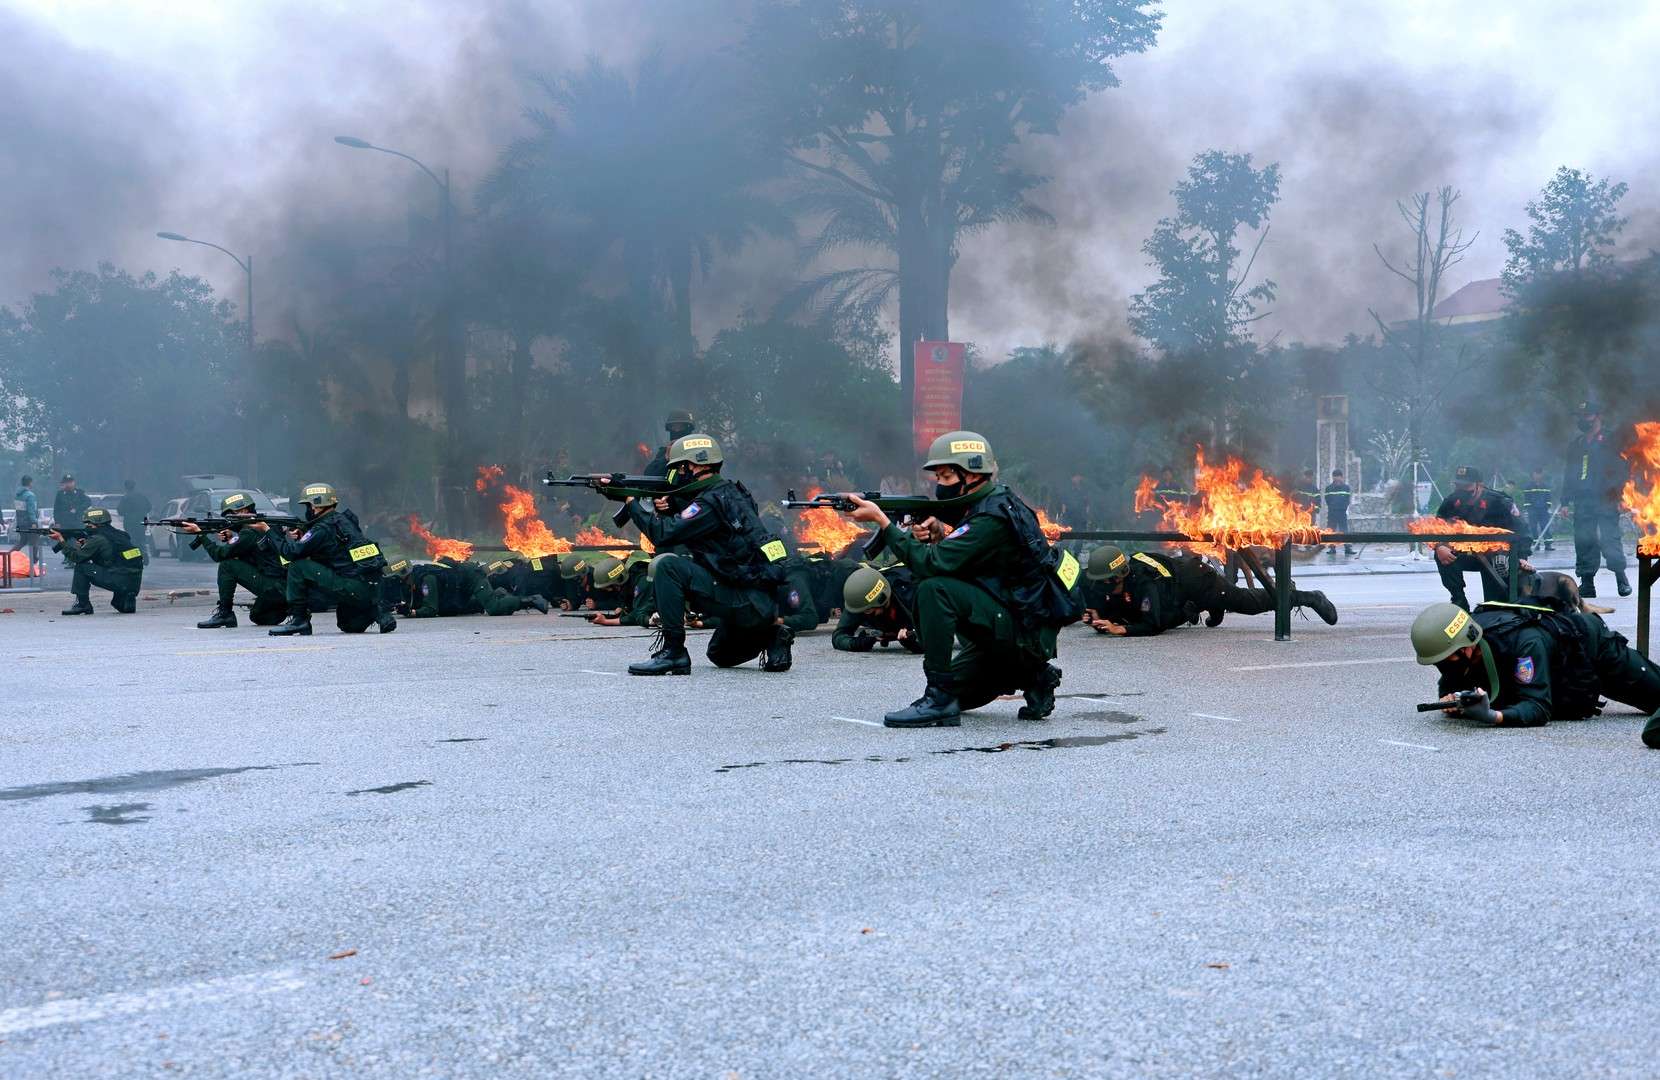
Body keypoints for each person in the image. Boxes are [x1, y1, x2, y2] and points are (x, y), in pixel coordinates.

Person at [841, 431, 1079, 728]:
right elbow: (977, 558)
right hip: (1016, 623)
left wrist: (883, 522)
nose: (938, 485)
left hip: (1021, 631)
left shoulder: (990, 518)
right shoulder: (996, 502)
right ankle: (1034, 675)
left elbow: (932, 564)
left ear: (971, 475)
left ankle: (939, 699)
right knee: (963, 695)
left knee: (934, 589)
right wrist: (942, 532)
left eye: (944, 476)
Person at [611, 433, 795, 676]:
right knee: (720, 655)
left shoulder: (710, 502)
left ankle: (674, 653)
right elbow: (710, 531)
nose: (678, 474)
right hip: (756, 600)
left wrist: (631, 502)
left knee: (668, 567)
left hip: (745, 598)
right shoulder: (729, 492)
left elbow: (664, 534)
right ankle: (772, 635)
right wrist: (672, 506)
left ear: (697, 465)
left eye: (682, 467)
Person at [1411, 598, 1660, 730]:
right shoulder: (1460, 649)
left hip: (1594, 650)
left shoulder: (1523, 643)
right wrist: (1451, 701)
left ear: (1467, 645)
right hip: (1560, 669)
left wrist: (1492, 716)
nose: (1443, 667)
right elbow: (1450, 685)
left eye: (1446, 660)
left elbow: (1538, 707)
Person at [1081, 544, 1336, 636]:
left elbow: (1153, 625)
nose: (1102, 587)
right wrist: (1097, 616)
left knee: (1249, 603)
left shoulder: (1145, 584)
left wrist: (1118, 628)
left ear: (1120, 576)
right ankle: (1201, 607)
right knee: (1171, 612)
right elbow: (1111, 601)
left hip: (1200, 581)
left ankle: (1307, 597)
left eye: (1106, 582)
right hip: (1180, 591)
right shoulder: (1119, 581)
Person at [252, 482, 396, 636]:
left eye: (309, 505)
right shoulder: (344, 520)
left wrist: (267, 530)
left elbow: (290, 553)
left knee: (298, 567)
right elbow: (334, 551)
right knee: (349, 624)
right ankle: (375, 610)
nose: (309, 509)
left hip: (353, 585)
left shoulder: (323, 527)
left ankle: (299, 620)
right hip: (371, 587)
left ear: (317, 505)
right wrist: (304, 537)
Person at [181, 492, 289, 628]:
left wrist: (201, 535)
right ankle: (286, 605)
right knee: (258, 617)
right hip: (283, 586)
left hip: (274, 586)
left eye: (231, 514)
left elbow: (219, 555)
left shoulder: (248, 532)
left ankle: (225, 613)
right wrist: (232, 539)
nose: (229, 519)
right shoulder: (266, 525)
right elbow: (252, 553)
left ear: (243, 510)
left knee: (227, 565)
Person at [1431, 465, 1531, 610]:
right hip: (1467, 553)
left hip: (1496, 555)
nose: (1462, 490)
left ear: (1479, 485)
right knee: (1442, 553)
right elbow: (1437, 525)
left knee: (1498, 564)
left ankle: (1494, 606)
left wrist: (1522, 556)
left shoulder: (1499, 502)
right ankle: (1459, 600)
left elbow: (1522, 529)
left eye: (1467, 486)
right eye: (1458, 485)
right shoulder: (1452, 501)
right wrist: (1439, 545)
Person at [1562, 401, 1630, 597]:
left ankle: (1621, 578)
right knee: (1584, 540)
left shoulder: (1611, 440)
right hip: (1583, 500)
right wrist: (1565, 501)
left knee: (1610, 537)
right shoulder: (1576, 444)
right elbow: (1569, 473)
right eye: (1580, 416)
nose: (1583, 420)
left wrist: (1620, 496)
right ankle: (1587, 583)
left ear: (1598, 416)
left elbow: (1622, 469)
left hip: (1607, 497)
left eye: (1587, 416)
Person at [53, 507, 144, 615]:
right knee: (120, 605)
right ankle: (126, 597)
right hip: (133, 582)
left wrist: (61, 540)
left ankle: (83, 604)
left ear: (96, 523)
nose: (86, 527)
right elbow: (111, 554)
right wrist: (86, 545)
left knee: (81, 567)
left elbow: (76, 557)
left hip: (117, 579)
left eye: (88, 524)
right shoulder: (120, 534)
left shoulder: (97, 539)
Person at [406, 556, 550, 618]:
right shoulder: (414, 579)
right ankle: (498, 594)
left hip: (471, 577)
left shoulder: (427, 579)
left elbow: (431, 609)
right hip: (458, 587)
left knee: (494, 608)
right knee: (458, 609)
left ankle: (529, 600)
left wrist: (412, 613)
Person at [832, 564, 923, 653]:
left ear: (882, 600)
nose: (863, 614)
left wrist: (916, 641)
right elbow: (838, 637)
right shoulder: (860, 600)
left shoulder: (912, 593)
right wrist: (857, 643)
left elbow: (935, 635)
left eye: (868, 611)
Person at [644, 409, 698, 478]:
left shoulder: (698, 450)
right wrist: (666, 459)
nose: (677, 430)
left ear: (688, 428)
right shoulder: (665, 452)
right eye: (674, 427)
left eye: (681, 427)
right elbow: (648, 475)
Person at [52, 475, 90, 566]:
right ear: (64, 483)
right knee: (67, 540)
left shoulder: (80, 493)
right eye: (67, 482)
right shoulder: (60, 494)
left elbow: (88, 502)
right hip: (65, 521)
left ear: (74, 482)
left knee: (78, 540)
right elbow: (56, 509)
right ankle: (69, 558)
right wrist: (57, 522)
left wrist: (77, 509)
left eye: (70, 482)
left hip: (77, 521)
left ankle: (78, 558)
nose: (69, 484)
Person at [9, 475, 42, 575]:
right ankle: (34, 563)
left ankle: (7, 557)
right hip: (29, 523)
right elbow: (31, 511)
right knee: (34, 543)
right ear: (30, 483)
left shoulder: (17, 495)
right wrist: (34, 522)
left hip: (21, 523)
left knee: (22, 542)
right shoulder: (30, 495)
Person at [1520, 468, 1555, 552]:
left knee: (1545, 526)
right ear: (1533, 474)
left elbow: (1548, 497)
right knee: (1533, 528)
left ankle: (1548, 545)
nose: (1538, 476)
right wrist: (1529, 509)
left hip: (1543, 510)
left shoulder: (1546, 486)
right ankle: (1536, 545)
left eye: (1540, 474)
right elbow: (1526, 499)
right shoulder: (1528, 486)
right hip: (1533, 510)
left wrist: (1547, 506)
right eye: (1536, 473)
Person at [1323, 469, 1355, 558]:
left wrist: (1343, 508)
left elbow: (1347, 500)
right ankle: (1332, 548)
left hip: (1342, 512)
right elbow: (1327, 500)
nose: (1337, 478)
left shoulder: (1346, 488)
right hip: (1332, 513)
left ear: (1342, 477)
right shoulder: (1329, 488)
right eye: (1335, 476)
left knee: (1344, 530)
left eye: (1338, 476)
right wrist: (1333, 507)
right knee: (1331, 530)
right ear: (1333, 477)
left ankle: (1348, 548)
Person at [117, 480, 153, 557]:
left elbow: (120, 510)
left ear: (125, 487)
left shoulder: (125, 498)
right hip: (142, 521)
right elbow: (149, 507)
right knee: (141, 539)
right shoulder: (142, 497)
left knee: (132, 540)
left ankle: (134, 557)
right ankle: (143, 553)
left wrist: (127, 513)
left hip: (130, 522)